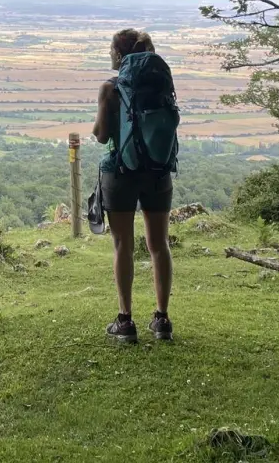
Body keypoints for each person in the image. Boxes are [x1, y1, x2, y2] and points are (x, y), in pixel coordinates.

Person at [93, 28, 174, 343]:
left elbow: (101, 135)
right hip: (158, 170)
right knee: (159, 245)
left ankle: (125, 321)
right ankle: (162, 319)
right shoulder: (161, 84)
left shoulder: (110, 89)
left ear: (118, 54)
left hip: (120, 171)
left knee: (123, 245)